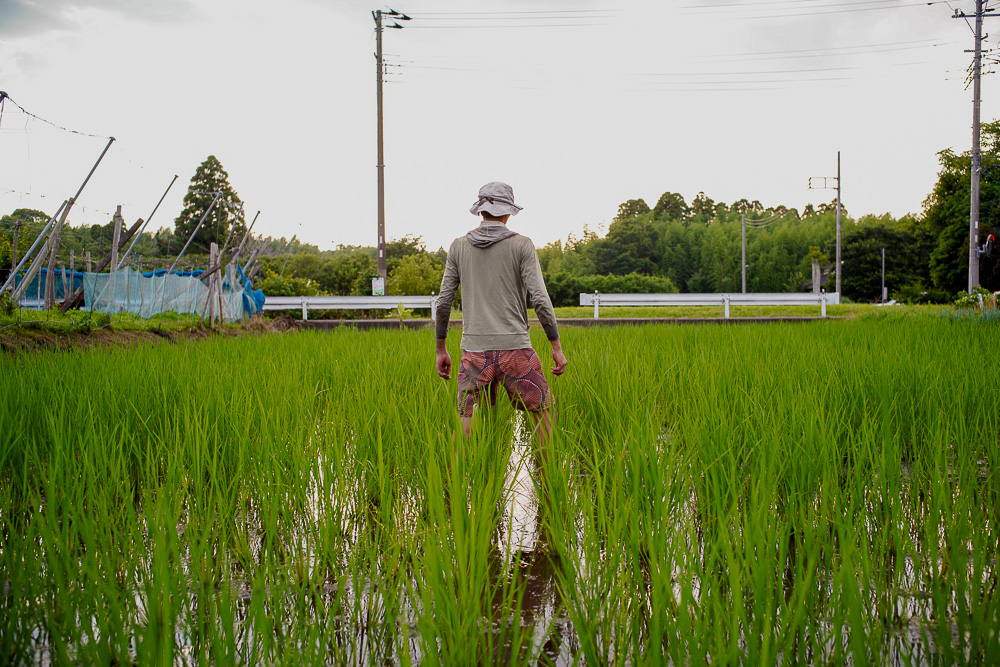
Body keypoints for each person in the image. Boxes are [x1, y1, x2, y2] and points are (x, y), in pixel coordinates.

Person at [435, 182, 568, 446]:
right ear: (508, 213)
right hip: (515, 349)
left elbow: (443, 303)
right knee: (542, 417)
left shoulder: (458, 246)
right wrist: (556, 346)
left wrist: (441, 349)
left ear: (481, 211)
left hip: (474, 352)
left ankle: (450, 486)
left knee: (466, 420)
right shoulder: (522, 245)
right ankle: (549, 483)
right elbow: (540, 299)